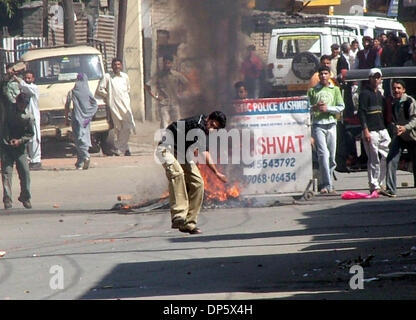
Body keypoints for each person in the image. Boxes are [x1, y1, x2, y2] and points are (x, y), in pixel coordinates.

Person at [156, 111, 227, 234]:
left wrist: (193, 148)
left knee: (198, 183)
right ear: (209, 118)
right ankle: (179, 215)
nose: (212, 128)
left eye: (215, 128)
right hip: (166, 148)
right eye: (211, 124)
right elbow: (205, 154)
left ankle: (189, 223)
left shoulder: (204, 129)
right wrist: (216, 173)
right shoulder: (198, 124)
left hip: (181, 153)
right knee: (177, 174)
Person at [307, 66, 345, 194]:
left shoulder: (335, 90)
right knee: (323, 155)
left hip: (331, 124)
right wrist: (315, 107)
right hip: (318, 125)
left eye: (325, 73)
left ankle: (330, 183)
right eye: (321, 74)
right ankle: (325, 184)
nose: (323, 76)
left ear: (329, 75)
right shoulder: (313, 91)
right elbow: (306, 108)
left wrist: (327, 109)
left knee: (331, 157)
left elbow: (341, 106)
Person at [358, 68, 391, 195]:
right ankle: (374, 185)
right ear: (369, 78)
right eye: (374, 77)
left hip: (381, 129)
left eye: (378, 77)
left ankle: (380, 182)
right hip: (370, 130)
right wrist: (365, 130)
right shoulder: (364, 93)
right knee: (373, 159)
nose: (376, 79)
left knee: (387, 154)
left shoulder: (379, 94)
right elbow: (361, 113)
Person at [0, 93, 34, 209]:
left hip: (20, 148)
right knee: (6, 174)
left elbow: (30, 134)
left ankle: (25, 197)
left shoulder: (28, 117)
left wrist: (19, 141)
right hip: (6, 147)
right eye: (21, 104)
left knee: (25, 173)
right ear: (17, 102)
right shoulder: (7, 110)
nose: (22, 106)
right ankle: (7, 200)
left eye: (24, 104)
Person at [384, 79, 416, 197]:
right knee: (391, 159)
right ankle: (391, 189)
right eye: (394, 88)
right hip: (400, 136)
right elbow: (393, 120)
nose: (396, 90)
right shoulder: (393, 103)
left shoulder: (410, 101)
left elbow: (415, 119)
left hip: (412, 136)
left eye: (398, 88)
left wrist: (405, 127)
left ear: (403, 90)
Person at [98, 58, 136, 156]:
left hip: (125, 105)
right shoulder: (107, 77)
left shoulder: (125, 77)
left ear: (121, 66)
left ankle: (118, 147)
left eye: (119, 64)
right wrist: (109, 96)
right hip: (114, 106)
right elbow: (100, 89)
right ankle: (125, 149)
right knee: (118, 128)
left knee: (127, 126)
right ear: (112, 66)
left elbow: (128, 89)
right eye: (115, 65)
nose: (117, 67)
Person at [145, 54, 189, 129]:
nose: (167, 65)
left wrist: (181, 93)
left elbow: (186, 83)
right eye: (165, 63)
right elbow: (147, 86)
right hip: (164, 104)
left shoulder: (176, 75)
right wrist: (156, 97)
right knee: (164, 126)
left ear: (172, 64)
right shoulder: (158, 76)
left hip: (175, 103)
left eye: (168, 63)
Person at [65, 73, 98, 170]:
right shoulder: (88, 93)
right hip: (86, 120)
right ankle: (79, 163)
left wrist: (66, 118)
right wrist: (89, 114)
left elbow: (67, 106)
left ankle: (86, 156)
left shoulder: (72, 92)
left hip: (77, 118)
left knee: (79, 139)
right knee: (84, 138)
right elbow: (95, 105)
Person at [14, 70, 41, 170]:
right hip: (24, 116)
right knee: (26, 138)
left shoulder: (33, 87)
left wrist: (16, 78)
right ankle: (29, 159)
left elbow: (24, 85)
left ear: (33, 79)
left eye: (29, 78)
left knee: (35, 139)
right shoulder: (23, 88)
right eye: (26, 78)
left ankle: (36, 160)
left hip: (33, 116)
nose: (27, 79)